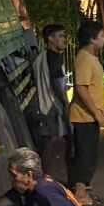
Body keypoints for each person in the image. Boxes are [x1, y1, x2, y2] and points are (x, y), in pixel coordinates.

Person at [69, 20, 104, 206]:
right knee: (85, 156)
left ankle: (83, 190)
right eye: (101, 36)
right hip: (83, 117)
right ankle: (79, 194)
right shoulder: (84, 58)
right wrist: (96, 113)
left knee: (90, 155)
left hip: (90, 117)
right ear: (92, 39)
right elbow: (81, 88)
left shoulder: (91, 58)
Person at [30, 24, 70, 178]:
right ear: (50, 39)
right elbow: (58, 85)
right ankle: (47, 182)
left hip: (42, 106)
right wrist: (66, 105)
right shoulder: (54, 59)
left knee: (47, 149)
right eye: (60, 36)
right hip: (51, 107)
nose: (63, 40)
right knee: (52, 150)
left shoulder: (40, 58)